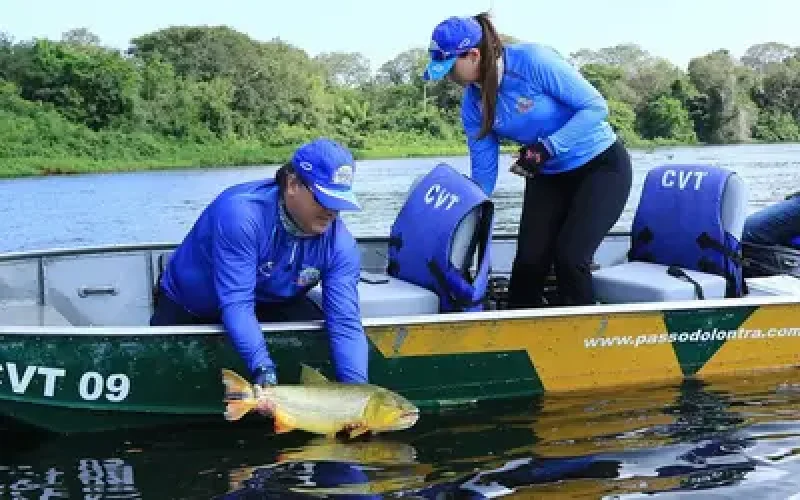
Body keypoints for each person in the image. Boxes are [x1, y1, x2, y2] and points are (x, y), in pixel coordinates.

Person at [422, 13, 633, 307]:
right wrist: (458, 215)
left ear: (473, 55)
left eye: (450, 67)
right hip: (548, 176)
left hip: (600, 167)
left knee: (570, 258)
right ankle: (520, 344)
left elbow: (595, 107)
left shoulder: (533, 61)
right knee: (528, 265)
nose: (448, 76)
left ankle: (582, 342)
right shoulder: (472, 104)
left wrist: (548, 147)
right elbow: (484, 176)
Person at [150, 137, 369, 393]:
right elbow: (236, 302)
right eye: (324, 199)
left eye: (340, 203)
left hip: (270, 302)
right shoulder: (241, 216)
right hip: (192, 305)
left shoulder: (341, 245)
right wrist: (263, 368)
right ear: (292, 184)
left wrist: (358, 396)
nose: (332, 212)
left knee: (325, 334)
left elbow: (345, 323)